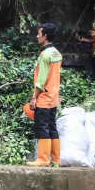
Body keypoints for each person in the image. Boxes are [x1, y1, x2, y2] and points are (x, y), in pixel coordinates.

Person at [27, 23, 63, 166]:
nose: (37, 36)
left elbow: (41, 80)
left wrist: (34, 97)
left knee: (42, 127)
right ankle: (55, 159)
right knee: (52, 127)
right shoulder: (56, 53)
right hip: (53, 97)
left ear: (45, 36)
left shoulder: (44, 54)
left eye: (39, 33)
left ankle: (43, 159)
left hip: (44, 97)